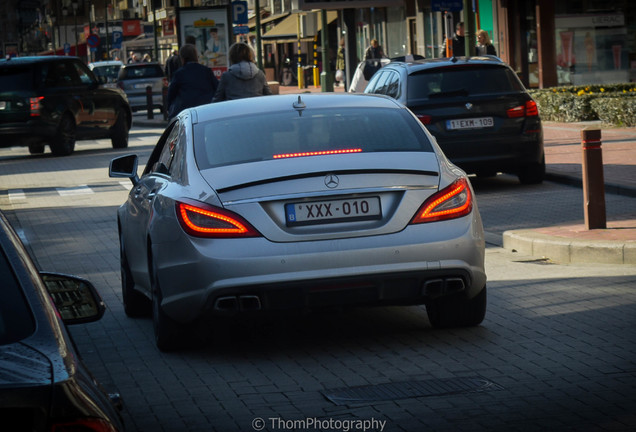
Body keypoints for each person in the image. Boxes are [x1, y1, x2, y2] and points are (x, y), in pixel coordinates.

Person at [167, 44, 219, 120]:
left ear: (182, 58)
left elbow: (171, 94)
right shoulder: (206, 71)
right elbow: (217, 88)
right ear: (195, 56)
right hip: (206, 109)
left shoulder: (179, 74)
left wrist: (169, 109)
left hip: (187, 112)